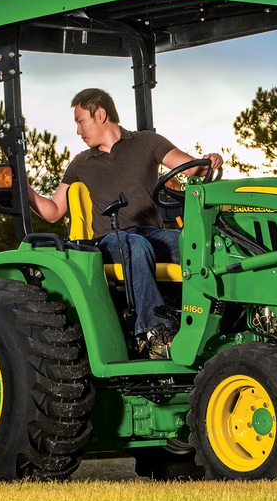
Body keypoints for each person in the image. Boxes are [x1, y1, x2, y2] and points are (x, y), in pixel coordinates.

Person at [27, 88, 222, 358]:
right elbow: (54, 211)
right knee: (136, 245)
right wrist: (24, 189)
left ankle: (218, 325)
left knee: (200, 244)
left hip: (152, 234)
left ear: (100, 115)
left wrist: (210, 161)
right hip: (111, 240)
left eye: (80, 121)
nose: (78, 130)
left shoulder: (147, 142)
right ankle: (154, 334)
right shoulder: (82, 163)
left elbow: (192, 168)